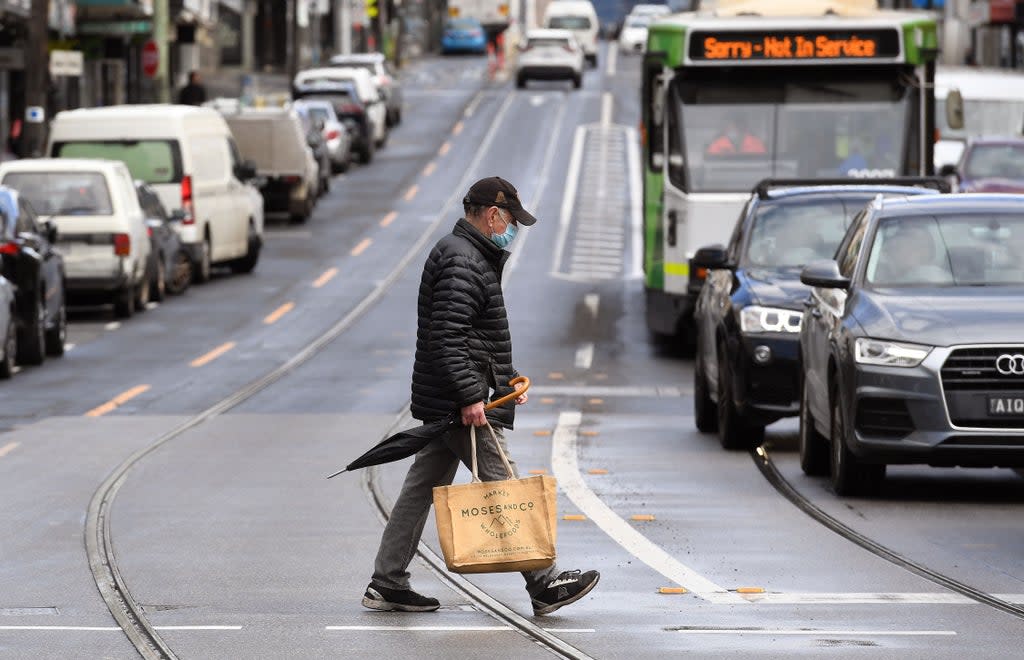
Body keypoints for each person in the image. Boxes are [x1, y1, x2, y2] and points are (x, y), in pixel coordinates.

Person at [362, 176, 600, 616]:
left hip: (449, 396)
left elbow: (473, 338)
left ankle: (388, 581)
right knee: (504, 485)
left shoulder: (466, 255)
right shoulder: (463, 260)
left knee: (420, 490)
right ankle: (543, 583)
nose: (513, 229)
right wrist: (473, 396)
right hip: (459, 402)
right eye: (511, 220)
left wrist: (505, 383)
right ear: (493, 214)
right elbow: (447, 338)